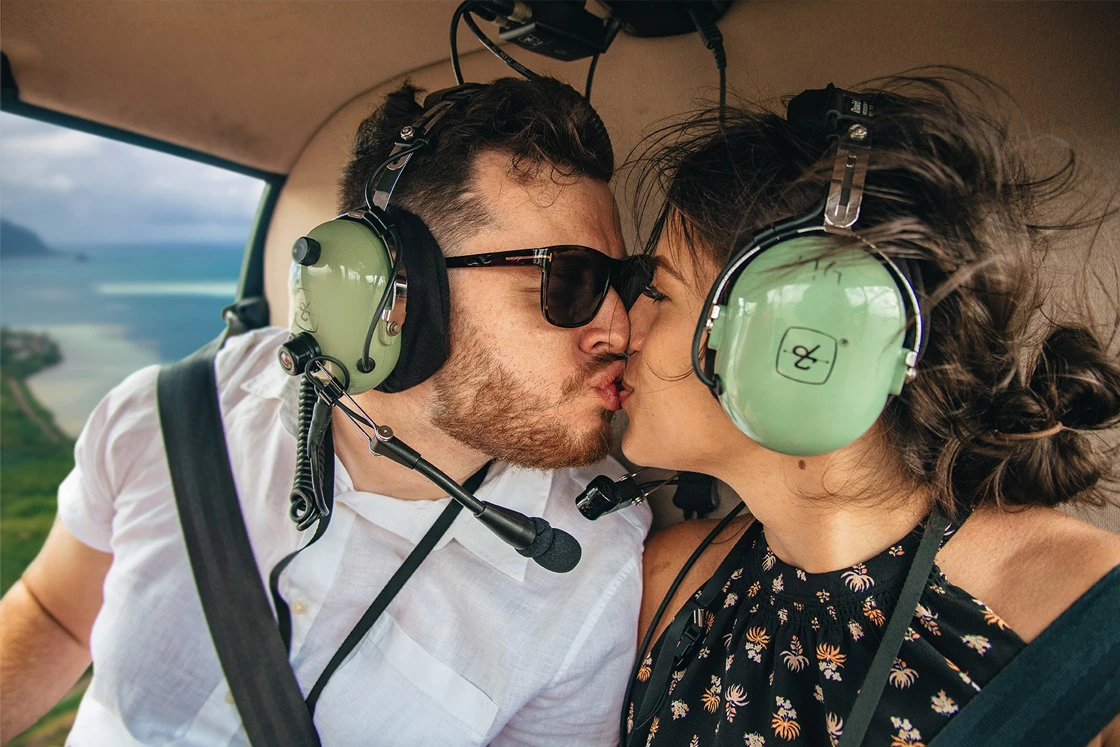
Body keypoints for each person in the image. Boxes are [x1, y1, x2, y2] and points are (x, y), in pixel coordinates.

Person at [0, 77, 651, 746]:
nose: (622, 328)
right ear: (392, 289)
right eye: (569, 279)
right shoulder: (176, 411)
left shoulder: (590, 573)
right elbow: (56, 613)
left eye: (622, 284)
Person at [618, 73, 1120, 746]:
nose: (623, 326)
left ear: (801, 335)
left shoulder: (1094, 627)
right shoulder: (669, 584)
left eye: (658, 290)